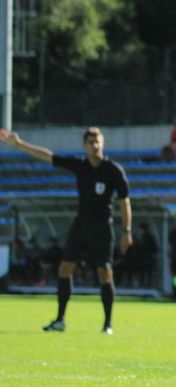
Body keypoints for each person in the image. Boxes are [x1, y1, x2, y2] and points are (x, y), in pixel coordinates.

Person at [1, 127, 132, 335]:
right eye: (91, 142)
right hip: (81, 224)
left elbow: (124, 201)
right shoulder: (80, 165)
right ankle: (60, 320)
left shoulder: (113, 170)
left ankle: (107, 324)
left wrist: (126, 231)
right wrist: (19, 144)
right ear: (84, 145)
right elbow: (49, 157)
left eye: (97, 141)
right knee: (64, 269)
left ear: (103, 143)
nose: (95, 145)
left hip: (102, 227)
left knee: (104, 272)